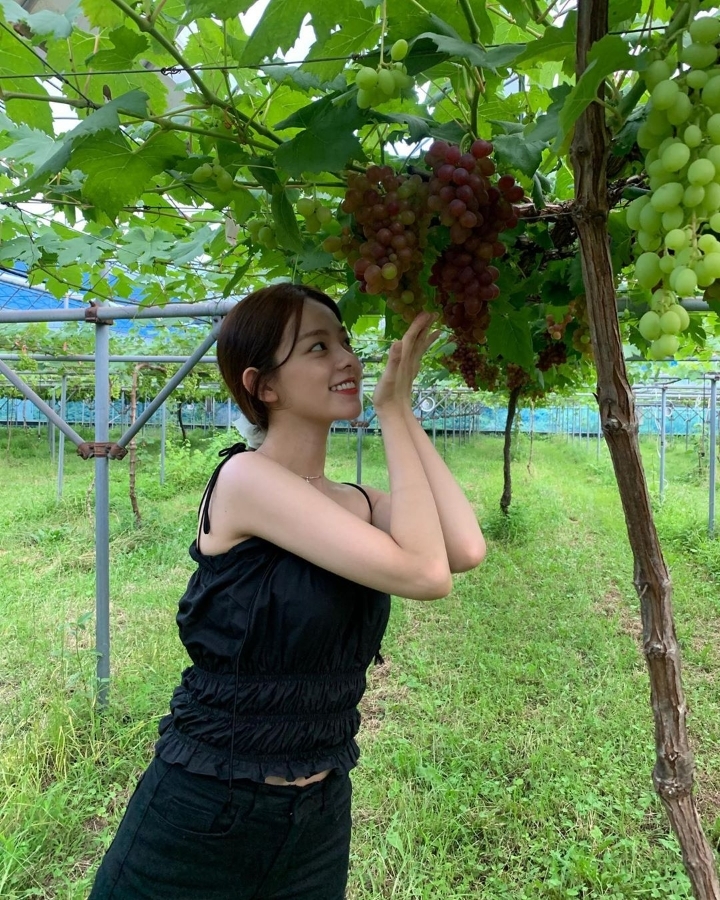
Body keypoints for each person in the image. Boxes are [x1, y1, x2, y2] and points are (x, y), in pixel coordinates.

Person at [89, 283, 486, 900]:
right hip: (206, 811)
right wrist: (387, 413)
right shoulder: (245, 479)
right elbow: (425, 574)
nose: (347, 359)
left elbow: (463, 549)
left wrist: (402, 412)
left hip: (318, 817)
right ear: (263, 386)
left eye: (344, 342)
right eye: (318, 347)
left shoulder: (354, 501)